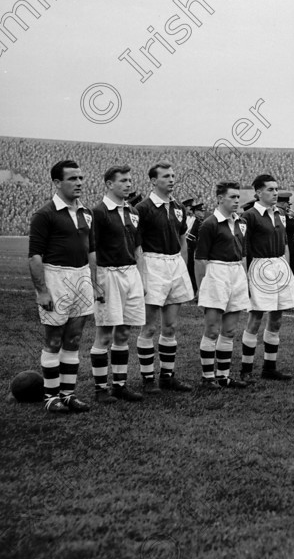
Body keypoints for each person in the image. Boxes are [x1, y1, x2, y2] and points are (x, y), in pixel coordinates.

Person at [28, 160, 98, 413]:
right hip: (56, 277)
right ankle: (50, 397)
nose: (79, 182)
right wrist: (42, 290)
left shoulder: (86, 213)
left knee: (74, 338)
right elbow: (35, 257)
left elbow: (91, 250)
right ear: (57, 183)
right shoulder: (45, 214)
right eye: (72, 179)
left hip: (81, 278)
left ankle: (68, 394)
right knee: (54, 339)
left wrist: (95, 282)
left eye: (80, 178)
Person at [89, 165, 146, 404]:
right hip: (108, 274)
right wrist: (95, 284)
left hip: (130, 273)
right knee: (104, 333)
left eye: (130, 180)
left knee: (124, 331)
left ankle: (120, 385)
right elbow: (91, 251)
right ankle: (100, 388)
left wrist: (141, 278)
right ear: (109, 184)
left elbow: (138, 248)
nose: (128, 184)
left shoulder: (132, 211)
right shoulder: (98, 212)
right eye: (123, 180)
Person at [135, 163, 194, 393]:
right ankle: (148, 379)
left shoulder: (179, 207)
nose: (171, 179)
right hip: (153, 264)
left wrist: (183, 266)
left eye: (173, 175)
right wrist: (141, 276)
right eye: (166, 176)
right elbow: (137, 246)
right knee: (149, 327)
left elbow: (182, 241)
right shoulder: (142, 208)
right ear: (153, 181)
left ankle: (167, 376)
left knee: (170, 325)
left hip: (175, 264)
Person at [239, 176, 294, 382]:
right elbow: (243, 249)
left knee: (277, 317)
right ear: (258, 193)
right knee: (255, 317)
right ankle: (246, 369)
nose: (275, 193)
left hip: (279, 266)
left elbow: (285, 244)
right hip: (259, 267)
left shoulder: (280, 215)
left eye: (276, 189)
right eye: (270, 189)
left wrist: (287, 270)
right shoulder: (249, 216)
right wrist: (246, 277)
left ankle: (269, 367)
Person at [195, 182, 250, 389]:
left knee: (229, 330)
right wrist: (202, 287)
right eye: (232, 197)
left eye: (238, 197)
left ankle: (223, 376)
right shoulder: (210, 224)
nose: (237, 201)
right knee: (212, 328)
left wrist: (244, 279)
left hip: (236, 273)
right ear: (220, 198)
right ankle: (207, 377)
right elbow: (200, 259)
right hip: (216, 273)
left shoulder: (241, 222)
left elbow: (243, 254)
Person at [183, 198, 203, 293]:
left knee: (193, 270)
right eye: (199, 211)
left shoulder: (197, 221)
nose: (201, 213)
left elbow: (191, 237)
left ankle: (195, 289)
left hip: (194, 248)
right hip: (190, 247)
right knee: (190, 269)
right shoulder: (190, 219)